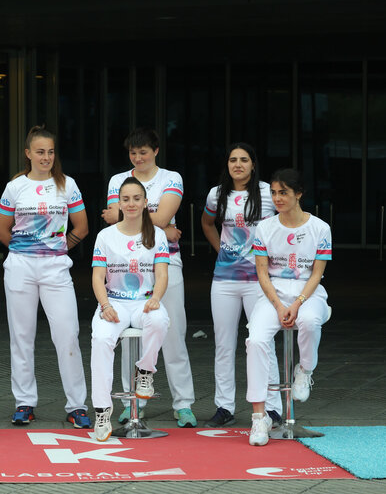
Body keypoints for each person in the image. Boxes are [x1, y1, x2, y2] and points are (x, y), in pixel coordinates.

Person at [0, 125, 91, 428]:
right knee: (22, 337)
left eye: (50, 152)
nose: (46, 157)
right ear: (28, 154)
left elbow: (82, 227)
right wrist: (25, 250)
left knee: (67, 334)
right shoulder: (15, 187)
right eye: (40, 152)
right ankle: (24, 402)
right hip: (20, 266)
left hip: (55, 267)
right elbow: (1, 229)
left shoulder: (67, 185)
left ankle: (76, 405)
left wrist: (61, 247)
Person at [102, 127, 196, 428]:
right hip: (125, 267)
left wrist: (153, 223)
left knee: (172, 334)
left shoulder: (171, 178)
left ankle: (183, 404)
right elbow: (133, 220)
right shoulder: (118, 180)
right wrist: (161, 229)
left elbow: (140, 216)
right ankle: (134, 403)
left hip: (164, 264)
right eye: (133, 152)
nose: (138, 157)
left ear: (156, 151)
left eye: (143, 151)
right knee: (130, 338)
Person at [245, 169, 331, 446]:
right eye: (273, 192)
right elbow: (262, 274)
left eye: (283, 192)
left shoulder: (320, 228)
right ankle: (260, 418)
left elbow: (316, 274)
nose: (277, 198)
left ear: (299, 194)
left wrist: (297, 303)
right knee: (255, 340)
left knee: (308, 322)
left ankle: (304, 370)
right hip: (273, 296)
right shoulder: (265, 227)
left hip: (309, 294)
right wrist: (279, 305)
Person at [201, 143, 282, 428]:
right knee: (224, 345)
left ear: (253, 164)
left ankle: (272, 408)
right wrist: (221, 249)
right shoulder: (216, 194)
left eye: (244, 160)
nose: (238, 164)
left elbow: (285, 226)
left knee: (262, 342)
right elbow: (207, 223)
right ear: (227, 164)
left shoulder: (268, 193)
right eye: (233, 160)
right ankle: (224, 406)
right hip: (224, 279)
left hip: (259, 281)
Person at [90, 178, 170, 441]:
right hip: (115, 303)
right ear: (118, 203)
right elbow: (97, 276)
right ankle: (102, 411)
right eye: (126, 199)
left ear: (146, 202)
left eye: (137, 198)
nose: (132, 203)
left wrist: (156, 297)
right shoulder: (105, 235)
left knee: (159, 321)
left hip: (144, 302)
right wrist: (105, 305)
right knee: (101, 339)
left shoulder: (157, 235)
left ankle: (145, 372)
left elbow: (162, 274)